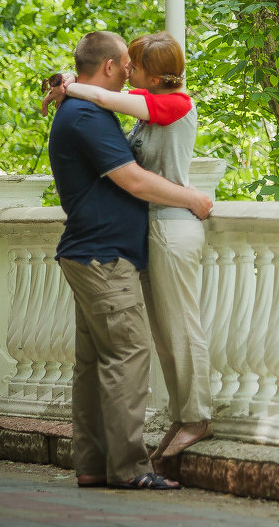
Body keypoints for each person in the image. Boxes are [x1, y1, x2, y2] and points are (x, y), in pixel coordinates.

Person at [46, 30, 212, 491]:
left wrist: (67, 85)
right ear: (110, 67)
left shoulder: (117, 106)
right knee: (127, 354)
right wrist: (192, 196)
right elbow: (134, 181)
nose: (129, 72)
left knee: (99, 360)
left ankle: (96, 465)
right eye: (125, 64)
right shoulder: (87, 116)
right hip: (102, 254)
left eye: (136, 66)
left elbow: (127, 101)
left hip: (102, 250)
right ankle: (129, 469)